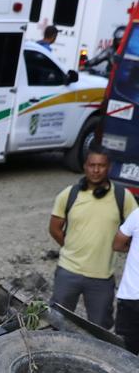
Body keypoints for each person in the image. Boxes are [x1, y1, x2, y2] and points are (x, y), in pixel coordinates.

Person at [48, 145, 137, 330]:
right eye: (92, 165)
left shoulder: (123, 197)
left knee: (100, 331)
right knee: (56, 322)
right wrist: (71, 247)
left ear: (109, 167)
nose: (96, 170)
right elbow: (55, 228)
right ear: (85, 166)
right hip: (68, 271)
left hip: (102, 278)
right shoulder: (69, 194)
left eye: (101, 165)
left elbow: (134, 229)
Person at [113, 205, 139, 353]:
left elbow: (117, 244)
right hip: (131, 297)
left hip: (131, 297)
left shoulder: (137, 215)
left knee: (124, 356)